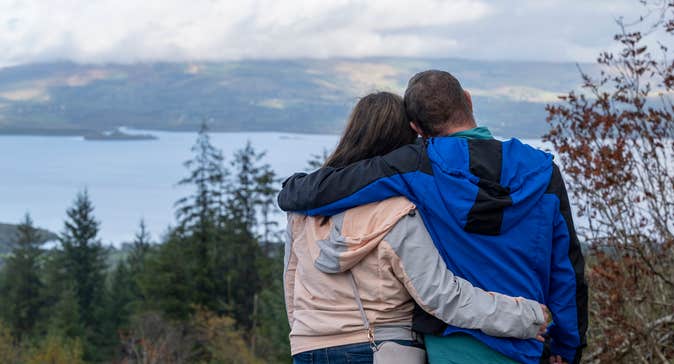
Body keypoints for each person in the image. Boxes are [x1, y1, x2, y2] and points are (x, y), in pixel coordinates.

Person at [279, 71, 588, 364]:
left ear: (416, 128)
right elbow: (567, 270)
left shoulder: (416, 166)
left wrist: (292, 190)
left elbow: (332, 188)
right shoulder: (544, 172)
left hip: (451, 345)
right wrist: (566, 347)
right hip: (528, 340)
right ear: (468, 99)